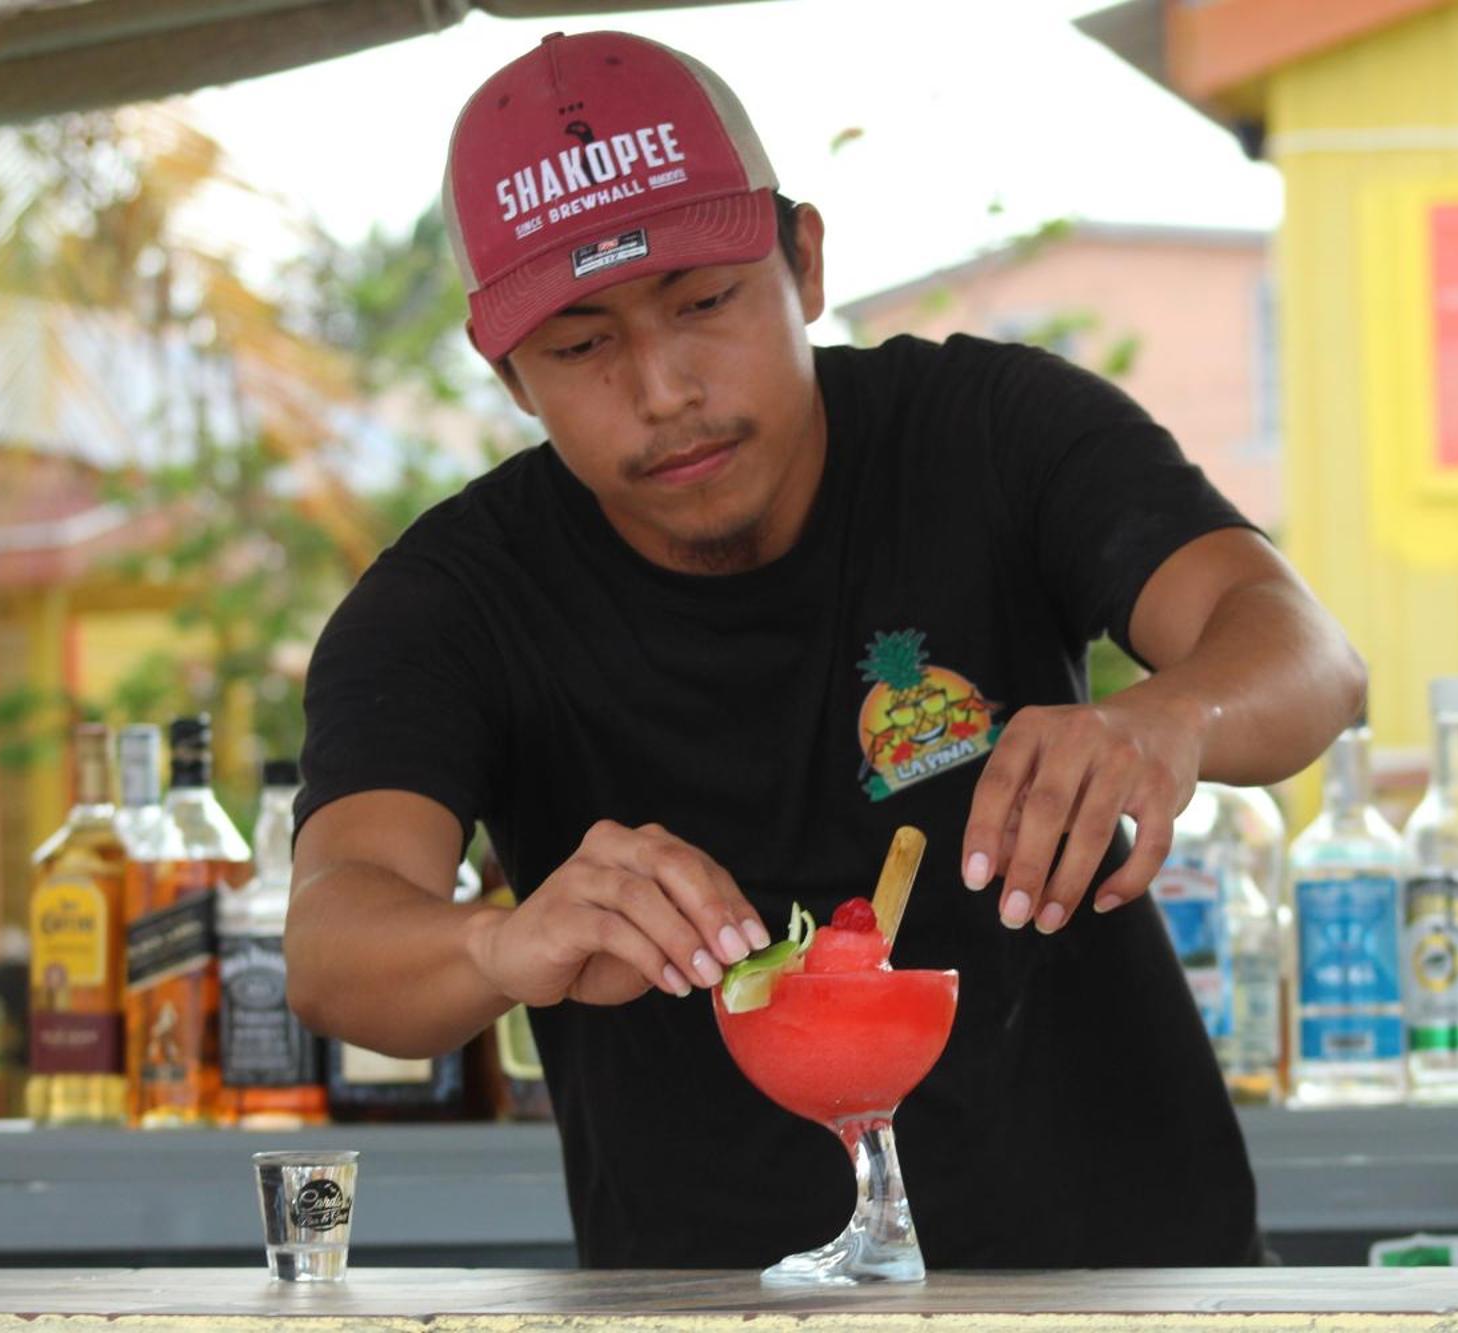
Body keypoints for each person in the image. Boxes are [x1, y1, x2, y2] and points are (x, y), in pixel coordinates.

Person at [285, 29, 1365, 1269]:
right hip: (704, 1303)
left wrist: (1166, 721)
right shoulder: (452, 600)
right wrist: (497, 940)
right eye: (582, 346)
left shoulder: (990, 432)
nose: (663, 388)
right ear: (511, 375)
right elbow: (333, 941)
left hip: (1134, 1278)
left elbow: (1302, 650)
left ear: (801, 261)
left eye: (703, 302)